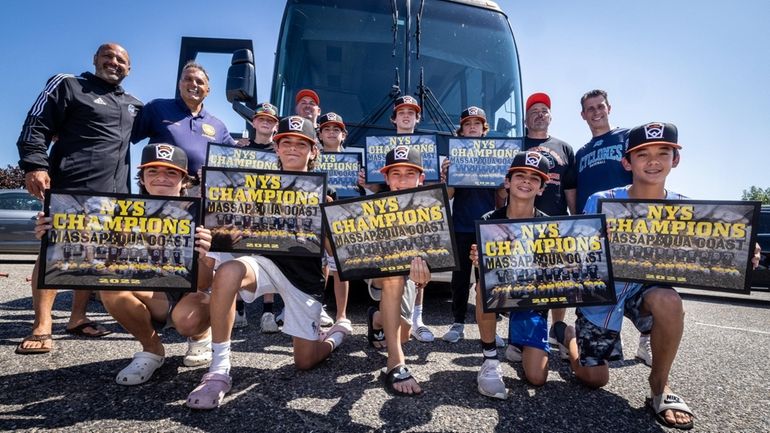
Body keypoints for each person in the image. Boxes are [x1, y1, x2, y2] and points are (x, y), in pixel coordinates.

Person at [556, 122, 762, 430]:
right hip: (603, 294)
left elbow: (713, 246)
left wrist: (743, 252)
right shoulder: (600, 200)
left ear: (675, 160)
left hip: (644, 290)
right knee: (593, 379)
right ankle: (568, 336)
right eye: (643, 154)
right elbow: (577, 251)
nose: (653, 161)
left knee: (668, 299)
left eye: (663, 153)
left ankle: (659, 386)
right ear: (627, 162)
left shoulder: (684, 207)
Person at [186, 116, 352, 410]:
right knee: (228, 271)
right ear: (276, 148)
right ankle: (219, 370)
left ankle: (336, 334)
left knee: (305, 361)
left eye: (301, 144)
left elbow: (334, 252)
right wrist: (218, 218)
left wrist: (326, 222)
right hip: (264, 264)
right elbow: (231, 232)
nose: (292, 148)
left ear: (313, 151)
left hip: (304, 278)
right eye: (285, 142)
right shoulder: (252, 187)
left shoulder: (326, 193)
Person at [33, 143, 214, 383]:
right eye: (153, 171)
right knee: (112, 286)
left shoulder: (203, 214)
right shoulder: (119, 212)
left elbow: (204, 283)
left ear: (184, 180)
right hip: (151, 294)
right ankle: (151, 349)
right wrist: (55, 233)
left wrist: (202, 256)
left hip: (191, 297)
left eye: (171, 172)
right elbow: (89, 251)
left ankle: (201, 336)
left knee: (188, 319)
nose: (161, 178)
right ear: (142, 178)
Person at [15, 42, 142, 354]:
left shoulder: (134, 105)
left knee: (91, 256)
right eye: (108, 56)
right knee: (55, 251)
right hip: (71, 187)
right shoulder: (69, 85)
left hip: (114, 195)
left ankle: (78, 318)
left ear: (129, 68)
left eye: (122, 60)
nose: (115, 63)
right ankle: (42, 324)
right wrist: (34, 164)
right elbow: (36, 125)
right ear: (95, 59)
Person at [574, 89, 650, 366]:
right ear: (583, 115)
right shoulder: (581, 152)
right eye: (590, 108)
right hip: (596, 230)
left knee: (648, 285)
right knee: (601, 288)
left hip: (629, 228)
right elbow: (575, 192)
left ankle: (647, 338)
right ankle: (588, 343)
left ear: (609, 108)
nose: (596, 112)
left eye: (600, 106)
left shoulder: (627, 137)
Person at [469, 151, 553, 399]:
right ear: (507, 181)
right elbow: (485, 276)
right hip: (501, 292)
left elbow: (555, 277)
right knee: (483, 289)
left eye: (534, 178)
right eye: (520, 175)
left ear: (541, 188)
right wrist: (479, 259)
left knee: (537, 378)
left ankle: (559, 332)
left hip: (532, 299)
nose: (526, 181)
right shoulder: (488, 221)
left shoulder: (550, 226)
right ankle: (490, 361)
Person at [366, 145, 432, 396]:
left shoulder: (429, 210)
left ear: (420, 178)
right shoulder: (371, 205)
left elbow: (432, 257)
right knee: (391, 271)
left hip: (406, 277)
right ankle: (395, 362)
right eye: (396, 174)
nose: (402, 180)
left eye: (409, 174)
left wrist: (424, 278)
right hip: (377, 274)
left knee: (404, 333)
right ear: (385, 178)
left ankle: (377, 318)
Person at [517, 92, 577, 359]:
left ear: (550, 116)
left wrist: (575, 220)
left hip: (555, 220)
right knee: (526, 278)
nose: (540, 114)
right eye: (534, 110)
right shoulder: (517, 144)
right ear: (526, 118)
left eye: (544, 110)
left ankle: (557, 329)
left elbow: (571, 187)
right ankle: (521, 336)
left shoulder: (565, 148)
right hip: (524, 221)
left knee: (556, 278)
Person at [439, 107, 504, 346]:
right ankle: (458, 323)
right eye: (468, 124)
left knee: (488, 280)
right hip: (462, 225)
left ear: (484, 129)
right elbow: (449, 195)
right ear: (462, 130)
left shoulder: (495, 157)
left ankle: (489, 329)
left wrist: (505, 178)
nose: (473, 127)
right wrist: (447, 178)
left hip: (488, 226)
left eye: (478, 123)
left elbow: (501, 196)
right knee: (460, 279)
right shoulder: (454, 158)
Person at [132, 61, 236, 182]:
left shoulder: (218, 126)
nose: (193, 84)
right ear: (179, 84)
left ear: (208, 90)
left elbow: (237, 159)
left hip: (200, 194)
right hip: (162, 190)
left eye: (200, 82)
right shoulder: (156, 108)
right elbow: (124, 137)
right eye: (188, 79)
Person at [233, 102, 280, 332]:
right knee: (239, 256)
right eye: (261, 118)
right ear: (253, 122)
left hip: (269, 212)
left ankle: (268, 312)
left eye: (270, 120)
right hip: (243, 210)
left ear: (275, 126)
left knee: (268, 257)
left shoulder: (280, 152)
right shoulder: (239, 149)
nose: (265, 122)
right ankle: (239, 311)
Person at [317, 112, 354, 326]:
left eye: (336, 129)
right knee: (320, 266)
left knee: (341, 267)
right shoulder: (313, 159)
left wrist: (364, 182)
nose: (332, 133)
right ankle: (319, 307)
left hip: (342, 219)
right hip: (317, 220)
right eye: (327, 129)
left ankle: (341, 315)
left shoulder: (353, 162)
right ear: (320, 134)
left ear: (343, 135)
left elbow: (363, 190)